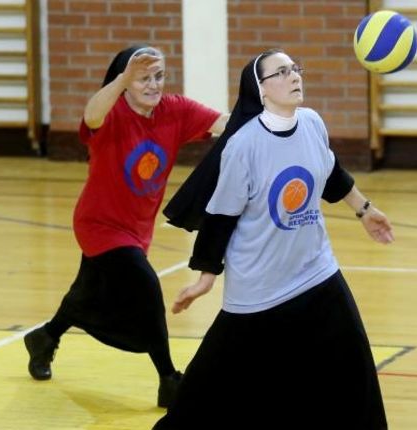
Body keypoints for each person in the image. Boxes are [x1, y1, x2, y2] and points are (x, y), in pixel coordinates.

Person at [153, 49, 393, 429]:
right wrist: (205, 276)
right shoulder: (244, 145)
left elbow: (330, 172)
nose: (294, 76)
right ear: (260, 90)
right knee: (207, 393)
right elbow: (220, 215)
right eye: (280, 72)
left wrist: (364, 210)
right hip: (259, 290)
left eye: (295, 68)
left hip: (317, 273)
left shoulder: (312, 123)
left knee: (355, 372)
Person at [23, 45, 229, 408]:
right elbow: (91, 113)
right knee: (145, 285)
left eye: (158, 76)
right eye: (143, 78)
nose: (153, 85)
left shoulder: (175, 111)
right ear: (125, 82)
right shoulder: (111, 113)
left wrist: (269, 115)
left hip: (137, 228)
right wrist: (121, 79)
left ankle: (45, 337)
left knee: (85, 294)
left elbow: (225, 124)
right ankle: (169, 378)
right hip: (99, 223)